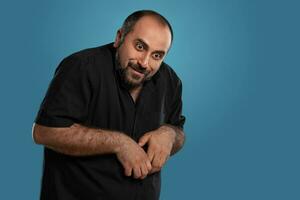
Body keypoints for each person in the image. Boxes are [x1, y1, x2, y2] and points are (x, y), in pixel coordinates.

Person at [32, 10, 186, 200]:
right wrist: (119, 144)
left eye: (157, 55)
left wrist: (169, 135)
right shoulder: (81, 67)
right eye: (139, 46)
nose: (145, 63)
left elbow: (178, 131)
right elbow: (43, 132)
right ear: (119, 37)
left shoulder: (171, 81)